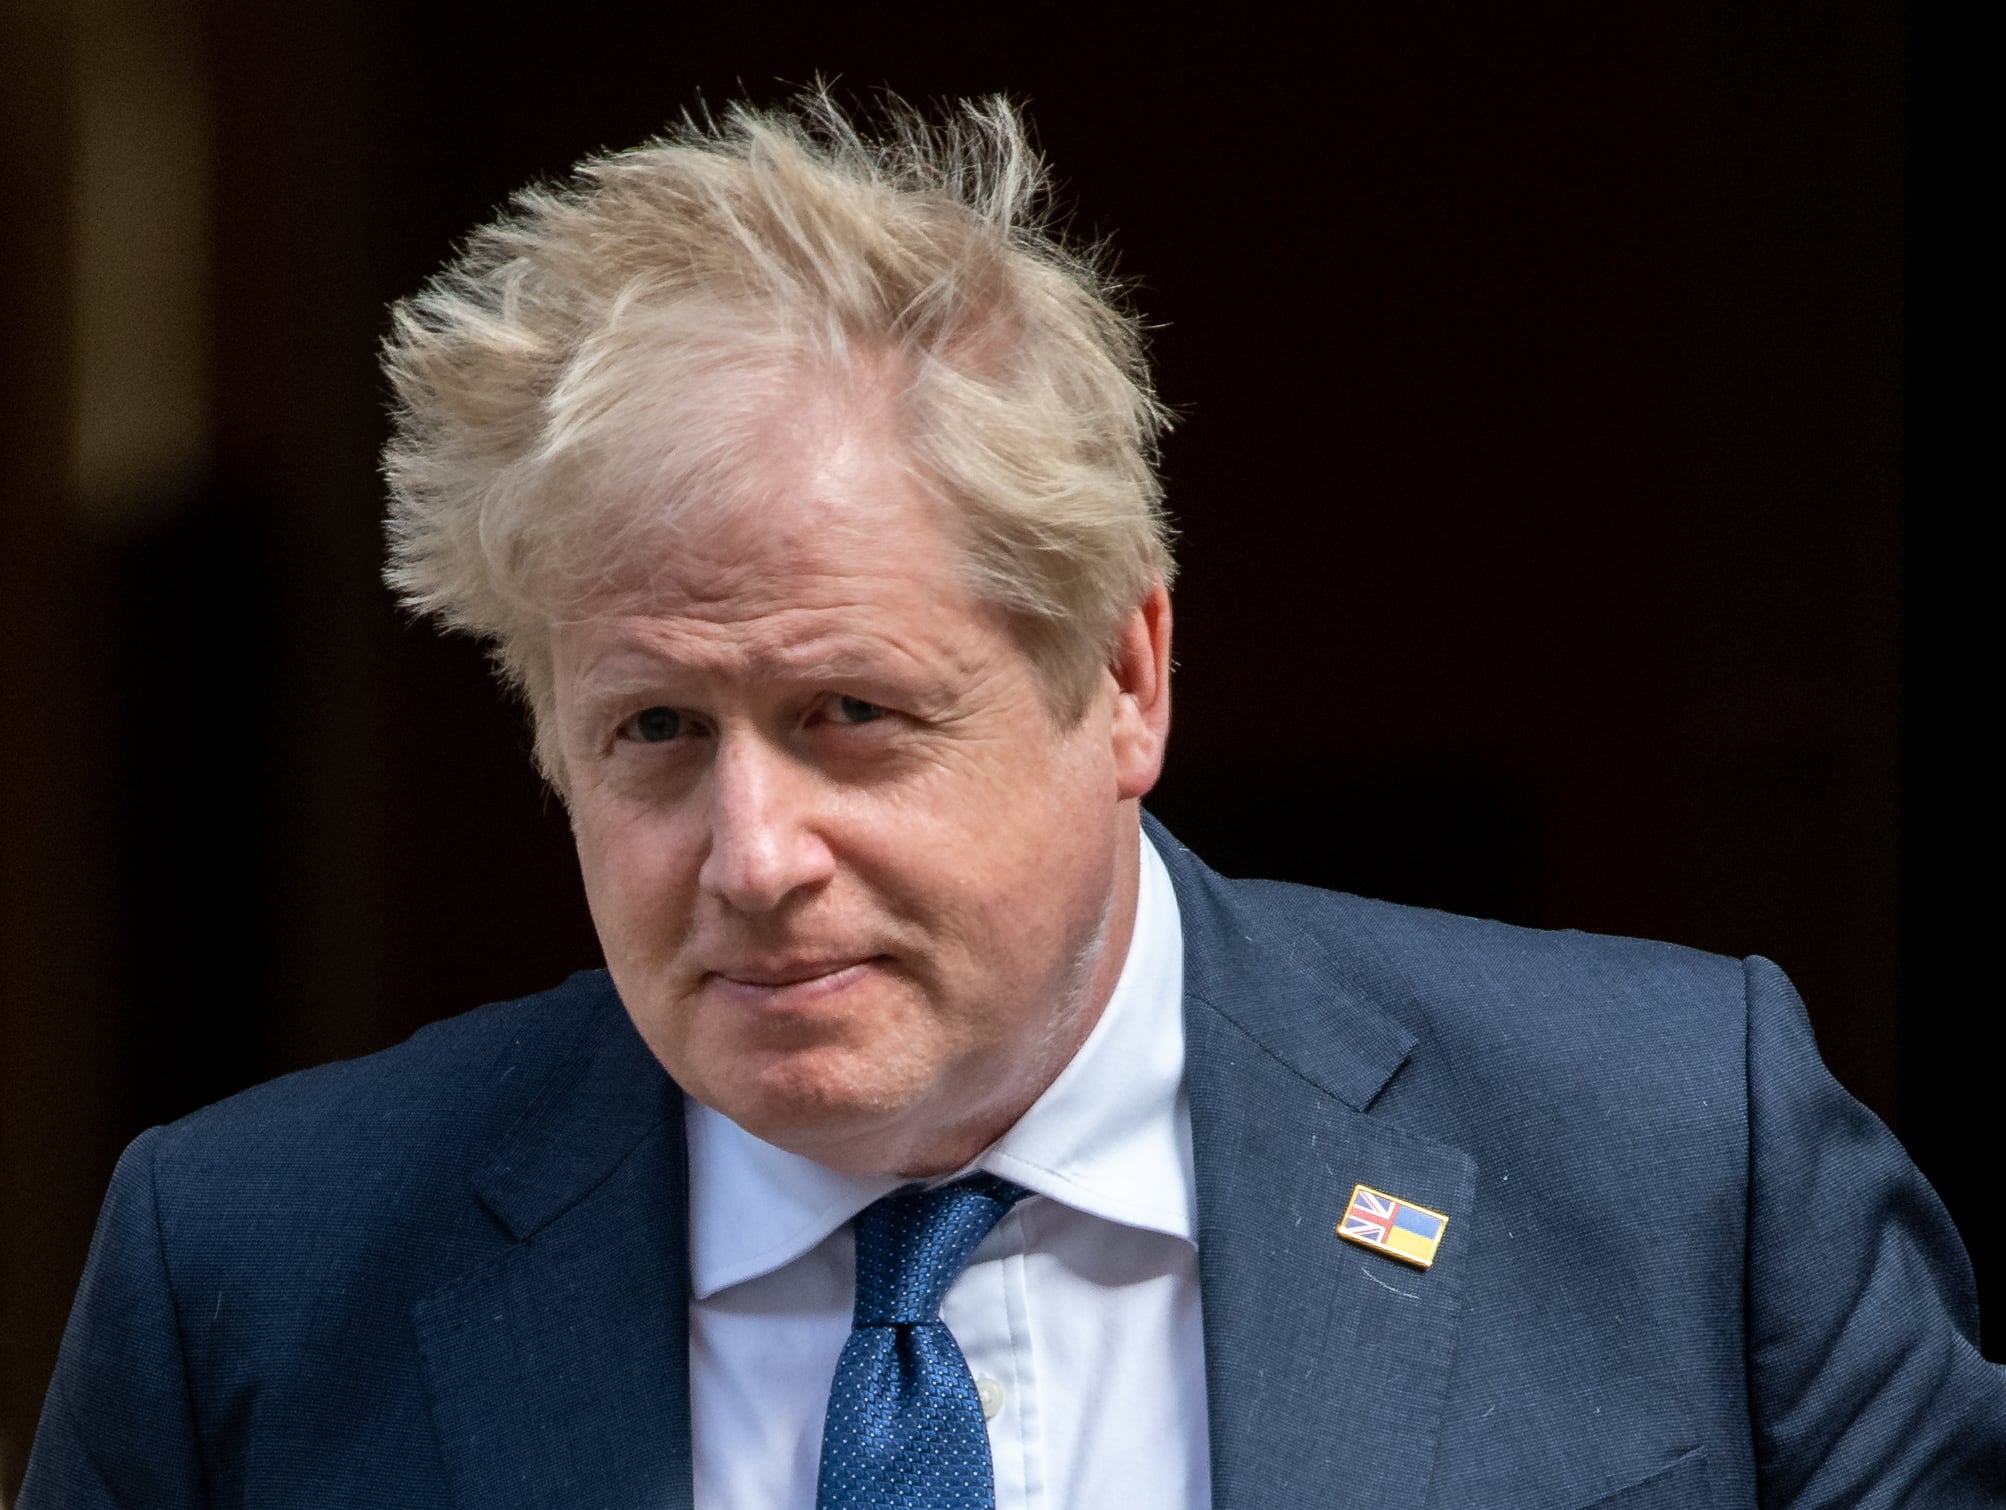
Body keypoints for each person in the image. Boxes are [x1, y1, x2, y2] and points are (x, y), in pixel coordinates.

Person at [19, 91, 2003, 1510]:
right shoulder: (258, 1270)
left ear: (1124, 674)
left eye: (854, 709)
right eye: (651, 730)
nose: (754, 852)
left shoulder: (1671, 1149)